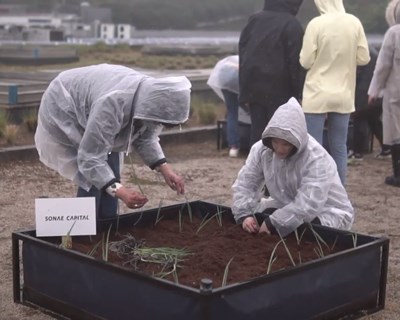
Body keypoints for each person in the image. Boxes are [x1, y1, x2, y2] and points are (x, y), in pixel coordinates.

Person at [35, 63, 191, 219]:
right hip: (65, 104)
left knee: (110, 169)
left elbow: (145, 137)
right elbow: (90, 158)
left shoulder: (151, 100)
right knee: (91, 177)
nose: (159, 126)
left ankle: (108, 222)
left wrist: (165, 169)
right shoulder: (112, 104)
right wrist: (122, 193)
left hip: (98, 98)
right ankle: (86, 229)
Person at [232, 97, 354, 237]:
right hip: (287, 205)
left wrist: (274, 223)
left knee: (304, 234)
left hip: (326, 210)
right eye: (276, 142)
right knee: (266, 220)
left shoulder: (315, 158)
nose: (279, 149)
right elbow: (246, 183)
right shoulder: (262, 150)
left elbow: (309, 203)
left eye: (286, 144)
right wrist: (245, 214)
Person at [300, 0, 370, 186]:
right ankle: (339, 194)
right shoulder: (354, 22)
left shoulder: (316, 24)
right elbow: (364, 58)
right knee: (339, 147)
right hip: (343, 93)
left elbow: (305, 61)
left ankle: (313, 190)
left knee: (313, 148)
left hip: (316, 93)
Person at [238, 0, 305, 147]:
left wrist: (244, 90)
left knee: (257, 134)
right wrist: (298, 93)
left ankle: (256, 167)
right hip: (281, 90)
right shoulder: (292, 24)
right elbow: (295, 63)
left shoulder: (255, 20)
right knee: (280, 137)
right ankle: (276, 169)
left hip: (254, 88)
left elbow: (243, 55)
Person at [368, 0, 400, 187]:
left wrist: (374, 90)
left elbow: (382, 66)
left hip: (395, 93)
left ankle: (398, 174)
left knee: (396, 132)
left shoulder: (394, 33)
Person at [348, 45, 391, 161]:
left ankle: (357, 153)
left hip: (365, 92)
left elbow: (355, 73)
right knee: (374, 120)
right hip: (378, 92)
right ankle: (387, 149)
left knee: (358, 118)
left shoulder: (357, 51)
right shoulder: (370, 50)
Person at [207, 55, 241, 157]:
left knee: (232, 112)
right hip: (237, 81)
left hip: (225, 82)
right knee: (251, 111)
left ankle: (233, 146)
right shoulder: (245, 60)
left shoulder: (228, 62)